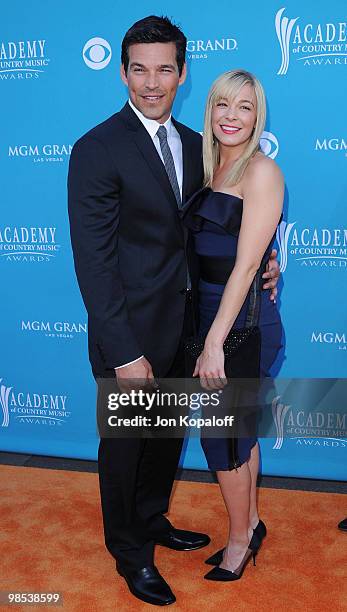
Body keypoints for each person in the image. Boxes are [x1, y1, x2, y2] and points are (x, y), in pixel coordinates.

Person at [68, 16, 280, 606]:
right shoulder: (97, 148)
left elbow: (221, 229)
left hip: (187, 331)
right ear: (123, 73)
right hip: (130, 337)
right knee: (126, 449)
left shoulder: (197, 145)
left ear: (183, 73)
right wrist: (125, 351)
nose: (152, 82)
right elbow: (94, 262)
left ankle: (153, 520)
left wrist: (266, 261)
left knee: (164, 444)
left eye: (165, 68)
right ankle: (130, 554)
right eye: (140, 68)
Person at [183, 69, 284, 582]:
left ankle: (240, 540)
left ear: (257, 116)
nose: (231, 116)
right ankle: (253, 522)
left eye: (245, 107)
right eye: (223, 104)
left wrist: (215, 343)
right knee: (238, 433)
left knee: (222, 439)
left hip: (242, 325)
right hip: (211, 318)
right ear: (211, 110)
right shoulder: (209, 167)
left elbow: (247, 266)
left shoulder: (262, 171)